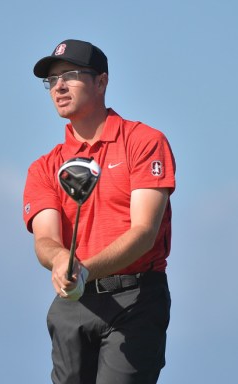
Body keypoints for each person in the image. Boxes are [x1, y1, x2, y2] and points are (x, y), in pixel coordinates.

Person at [22, 39, 176, 384]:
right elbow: (45, 239)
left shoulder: (144, 142)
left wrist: (84, 269)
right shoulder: (44, 168)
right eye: (52, 80)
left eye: (70, 75)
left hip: (134, 299)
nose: (58, 86)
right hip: (73, 304)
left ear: (101, 82)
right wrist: (61, 260)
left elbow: (144, 233)